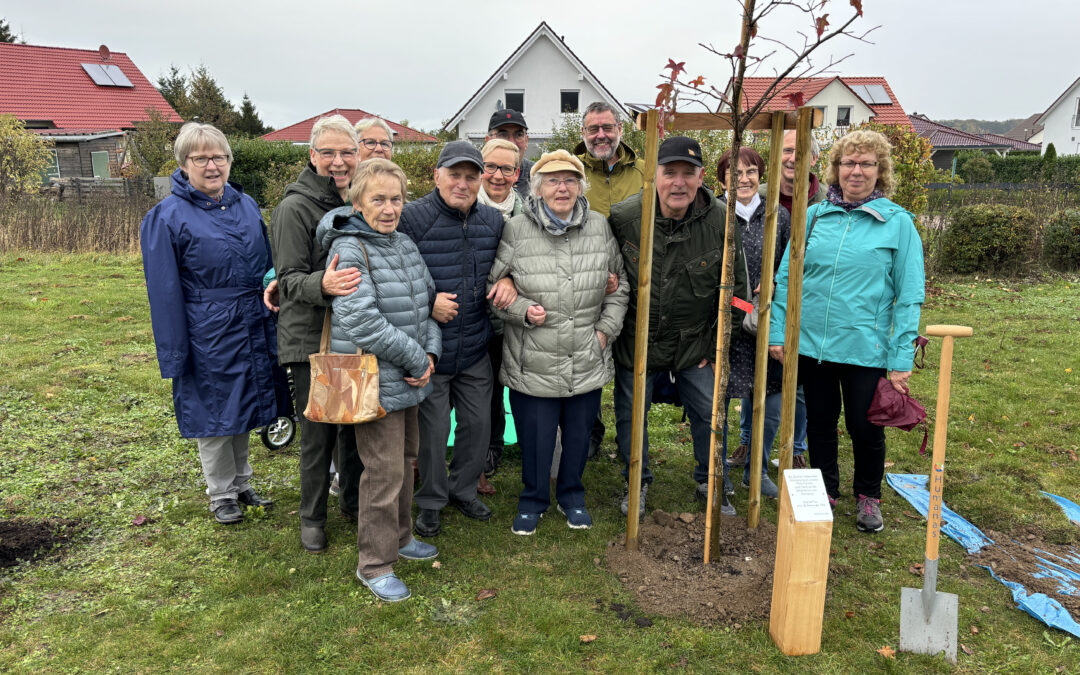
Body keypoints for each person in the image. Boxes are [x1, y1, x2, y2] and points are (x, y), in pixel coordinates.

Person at [769, 129, 925, 534]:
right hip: (812, 346)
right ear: (835, 169)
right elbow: (786, 279)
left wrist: (900, 358)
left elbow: (908, 297)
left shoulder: (898, 224)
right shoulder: (813, 216)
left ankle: (868, 495)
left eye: (867, 163)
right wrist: (778, 333)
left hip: (866, 348)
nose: (856, 171)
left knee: (863, 424)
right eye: (848, 163)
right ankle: (825, 491)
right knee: (819, 421)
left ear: (880, 170)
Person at [315, 158, 442, 602]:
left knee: (407, 461)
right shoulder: (350, 249)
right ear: (358, 201)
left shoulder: (404, 243)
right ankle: (374, 563)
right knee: (383, 473)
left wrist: (429, 352)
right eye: (378, 199)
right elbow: (361, 320)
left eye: (396, 199)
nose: (389, 208)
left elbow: (426, 304)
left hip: (409, 377)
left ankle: (402, 538)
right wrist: (413, 358)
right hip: (375, 379)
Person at [141, 122, 277, 525]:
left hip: (251, 318)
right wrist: (174, 351)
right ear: (184, 164)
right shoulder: (165, 217)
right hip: (206, 328)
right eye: (200, 158)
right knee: (214, 411)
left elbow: (268, 261)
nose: (211, 165)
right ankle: (220, 493)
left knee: (244, 405)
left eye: (219, 156)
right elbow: (164, 292)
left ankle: (242, 483)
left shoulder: (246, 204)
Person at [488, 149, 628, 535]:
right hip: (533, 355)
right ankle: (532, 499)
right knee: (536, 436)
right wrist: (521, 309)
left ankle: (572, 496)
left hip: (586, 351)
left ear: (581, 186)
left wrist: (605, 332)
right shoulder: (516, 229)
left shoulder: (599, 227)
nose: (561, 187)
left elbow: (620, 285)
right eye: (552, 180)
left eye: (569, 180)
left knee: (579, 434)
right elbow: (495, 287)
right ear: (537, 188)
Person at [608, 136, 749, 518]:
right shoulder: (625, 219)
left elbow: (739, 295)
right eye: (670, 172)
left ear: (702, 177)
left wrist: (716, 346)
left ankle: (711, 479)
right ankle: (635, 480)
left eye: (688, 174)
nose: (679, 182)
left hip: (695, 345)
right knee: (630, 415)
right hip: (638, 341)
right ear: (654, 176)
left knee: (709, 411)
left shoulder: (722, 220)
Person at [397, 141, 511, 538]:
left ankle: (464, 490)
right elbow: (391, 276)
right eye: (455, 175)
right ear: (437, 176)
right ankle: (430, 501)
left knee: (478, 425)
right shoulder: (411, 219)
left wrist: (509, 279)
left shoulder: (493, 222)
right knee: (432, 432)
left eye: (471, 176)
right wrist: (429, 303)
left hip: (476, 345)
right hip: (432, 351)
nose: (462, 183)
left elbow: (507, 265)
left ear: (481, 180)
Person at [265, 115, 365, 552]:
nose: (338, 162)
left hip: (353, 333)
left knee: (354, 428)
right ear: (312, 155)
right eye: (329, 153)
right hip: (309, 337)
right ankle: (311, 517)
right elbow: (286, 280)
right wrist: (321, 285)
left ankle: (354, 503)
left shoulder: (361, 200)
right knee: (318, 431)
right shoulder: (294, 208)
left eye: (347, 152)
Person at [715, 147, 792, 500]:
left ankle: (756, 469)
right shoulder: (715, 215)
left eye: (750, 172)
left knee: (769, 401)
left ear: (760, 176)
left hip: (768, 320)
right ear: (722, 179)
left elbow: (791, 264)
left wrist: (775, 282)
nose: (743, 179)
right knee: (719, 401)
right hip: (727, 320)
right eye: (735, 173)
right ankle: (719, 473)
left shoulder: (778, 216)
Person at [754, 129, 819, 470]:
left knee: (802, 381)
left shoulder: (827, 202)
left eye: (803, 150)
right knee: (758, 375)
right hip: (767, 299)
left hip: (812, 302)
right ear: (778, 156)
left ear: (816, 159)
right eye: (789, 150)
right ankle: (750, 445)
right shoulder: (761, 197)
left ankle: (795, 445)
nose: (794, 158)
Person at [476, 138, 525, 493]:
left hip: (515, 315)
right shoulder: (463, 206)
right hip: (478, 317)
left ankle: (532, 447)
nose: (497, 175)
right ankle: (490, 448)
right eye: (491, 167)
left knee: (521, 385)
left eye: (506, 168)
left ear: (517, 173)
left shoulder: (528, 212)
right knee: (487, 390)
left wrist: (511, 277)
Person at [574, 102, 645, 218]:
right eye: (593, 129)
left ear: (620, 129)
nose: (601, 135)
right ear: (583, 133)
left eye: (607, 128)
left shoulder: (646, 172)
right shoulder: (572, 172)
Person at [486, 109, 532, 197]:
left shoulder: (539, 177)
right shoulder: (475, 175)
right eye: (503, 135)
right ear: (488, 141)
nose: (512, 143)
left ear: (526, 141)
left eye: (518, 135)